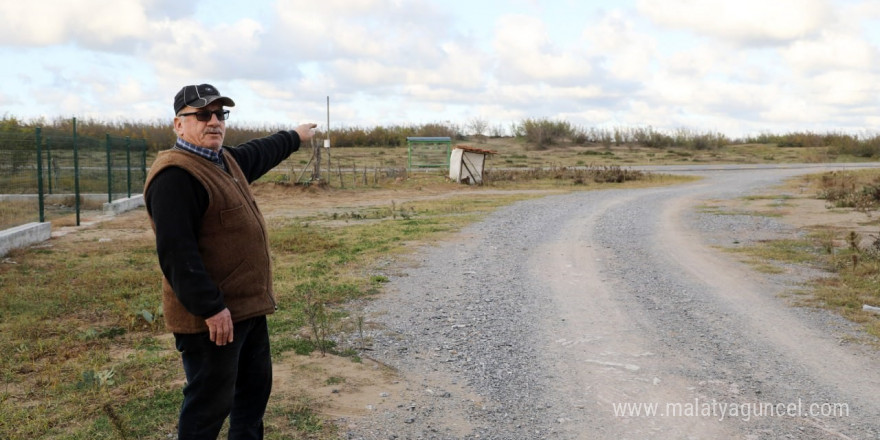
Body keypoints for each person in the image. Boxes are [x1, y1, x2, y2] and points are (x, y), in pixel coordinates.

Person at [144, 83, 316, 439]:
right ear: (179, 124)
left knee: (252, 398)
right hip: (213, 320)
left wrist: (295, 136)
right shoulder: (176, 176)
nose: (214, 122)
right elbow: (177, 253)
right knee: (209, 407)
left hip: (246, 310)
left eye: (220, 114)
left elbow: (263, 150)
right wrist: (211, 308)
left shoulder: (225, 161)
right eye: (202, 114)